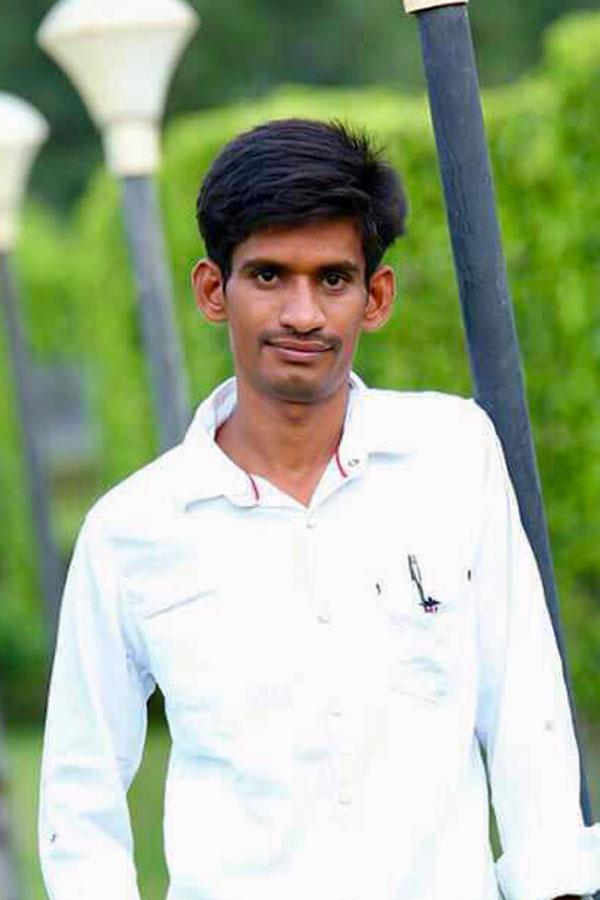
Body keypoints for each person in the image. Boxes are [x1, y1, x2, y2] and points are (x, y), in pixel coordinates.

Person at [38, 119, 600, 900]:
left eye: (333, 279)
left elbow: (524, 705)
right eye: (269, 275)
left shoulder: (452, 456)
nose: (302, 314)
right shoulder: (133, 530)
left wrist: (557, 887)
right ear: (212, 291)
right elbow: (79, 793)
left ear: (376, 296)